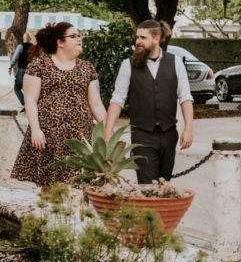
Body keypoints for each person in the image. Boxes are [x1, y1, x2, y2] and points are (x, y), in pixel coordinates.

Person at [11, 22, 106, 188]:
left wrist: (108, 130)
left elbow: (96, 104)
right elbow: (31, 100)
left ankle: (74, 213)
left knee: (79, 185)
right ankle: (50, 213)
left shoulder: (87, 68)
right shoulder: (39, 65)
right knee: (50, 187)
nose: (79, 39)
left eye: (79, 35)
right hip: (49, 137)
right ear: (60, 42)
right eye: (74, 36)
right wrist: (36, 129)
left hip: (80, 137)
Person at [104, 19, 193, 184]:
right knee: (146, 187)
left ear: (156, 39)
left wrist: (188, 129)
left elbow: (185, 97)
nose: (138, 41)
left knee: (163, 184)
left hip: (169, 133)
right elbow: (117, 100)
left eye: (143, 37)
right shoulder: (127, 65)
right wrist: (108, 131)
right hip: (142, 134)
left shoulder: (175, 62)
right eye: (137, 37)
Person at [7, 32, 33, 106]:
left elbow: (14, 59)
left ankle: (25, 104)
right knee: (29, 89)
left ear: (23, 39)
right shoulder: (33, 47)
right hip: (32, 71)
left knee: (17, 88)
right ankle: (30, 104)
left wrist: (10, 67)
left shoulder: (20, 46)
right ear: (30, 39)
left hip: (22, 70)